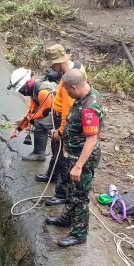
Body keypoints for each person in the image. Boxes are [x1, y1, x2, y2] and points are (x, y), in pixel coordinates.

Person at [45, 68, 103, 247]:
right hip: (73, 154)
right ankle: (66, 218)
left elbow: (91, 140)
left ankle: (79, 234)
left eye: (67, 90)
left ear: (74, 87)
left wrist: (79, 166)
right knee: (72, 190)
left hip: (82, 158)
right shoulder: (84, 97)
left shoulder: (88, 109)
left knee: (79, 196)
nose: (66, 93)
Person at [36, 44, 87, 206]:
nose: (51, 68)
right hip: (60, 117)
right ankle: (51, 174)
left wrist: (61, 130)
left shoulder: (69, 80)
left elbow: (68, 110)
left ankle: (61, 193)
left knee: (63, 156)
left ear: (59, 62)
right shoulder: (72, 71)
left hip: (66, 122)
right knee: (55, 149)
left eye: (52, 64)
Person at [7, 68, 56, 161]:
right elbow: (32, 111)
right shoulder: (34, 90)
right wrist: (19, 128)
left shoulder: (43, 91)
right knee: (34, 119)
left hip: (65, 115)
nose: (22, 92)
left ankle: (39, 154)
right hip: (55, 112)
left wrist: (26, 118)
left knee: (40, 123)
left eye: (21, 89)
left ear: (27, 83)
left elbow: (44, 112)